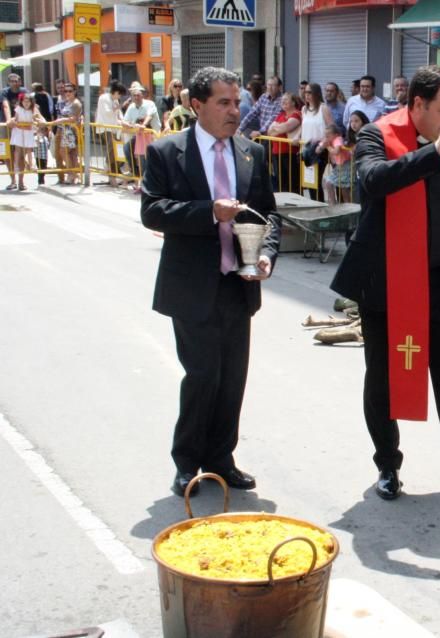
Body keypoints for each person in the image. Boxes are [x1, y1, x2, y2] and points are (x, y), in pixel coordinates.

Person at [330, 65, 440, 500]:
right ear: (418, 105)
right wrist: (433, 152)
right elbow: (372, 181)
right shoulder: (376, 134)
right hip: (388, 282)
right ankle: (387, 466)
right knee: (384, 379)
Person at [139, 67, 282, 498]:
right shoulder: (167, 152)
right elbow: (153, 211)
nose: (234, 111)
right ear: (196, 105)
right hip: (192, 287)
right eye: (223, 102)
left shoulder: (251, 153)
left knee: (232, 377)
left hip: (238, 285)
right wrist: (208, 212)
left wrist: (266, 253)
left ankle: (222, 459)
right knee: (202, 376)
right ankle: (187, 464)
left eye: (236, 102)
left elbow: (268, 214)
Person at [120, 85, 161, 192]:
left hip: (153, 136)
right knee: (127, 149)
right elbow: (124, 120)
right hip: (139, 137)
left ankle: (150, 184)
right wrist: (127, 124)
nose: (136, 97)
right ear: (132, 97)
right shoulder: (131, 107)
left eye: (138, 95)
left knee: (149, 160)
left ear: (142, 96)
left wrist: (144, 124)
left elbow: (150, 115)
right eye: (134, 96)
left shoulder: (149, 104)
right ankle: (137, 175)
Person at [266, 93, 303, 193]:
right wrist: (280, 128)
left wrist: (277, 127)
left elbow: (286, 127)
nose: (283, 102)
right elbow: (269, 131)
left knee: (293, 182)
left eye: (286, 99)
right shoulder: (281, 115)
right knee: (281, 182)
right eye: (282, 100)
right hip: (277, 152)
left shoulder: (297, 114)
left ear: (293, 102)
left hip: (290, 153)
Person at [8, 93, 43, 191]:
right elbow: (15, 120)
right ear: (21, 101)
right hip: (19, 132)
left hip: (28, 132)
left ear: (31, 102)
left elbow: (37, 119)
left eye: (28, 101)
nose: (26, 103)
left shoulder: (33, 109)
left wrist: (37, 123)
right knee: (18, 151)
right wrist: (14, 123)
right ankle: (16, 167)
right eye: (25, 101)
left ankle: (31, 165)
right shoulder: (18, 109)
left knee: (28, 150)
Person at [300, 82, 328, 200]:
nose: (307, 95)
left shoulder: (323, 108)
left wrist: (322, 145)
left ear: (317, 94)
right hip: (306, 149)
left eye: (310, 92)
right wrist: (297, 136)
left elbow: (331, 129)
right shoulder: (304, 109)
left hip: (319, 150)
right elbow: (303, 127)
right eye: (306, 92)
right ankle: (313, 205)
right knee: (309, 183)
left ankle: (320, 207)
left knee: (316, 183)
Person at [52, 83, 84, 186]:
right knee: (71, 154)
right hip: (65, 130)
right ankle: (73, 174)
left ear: (75, 91)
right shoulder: (67, 102)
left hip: (71, 131)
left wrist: (59, 120)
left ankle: (71, 174)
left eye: (70, 91)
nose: (68, 93)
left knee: (65, 152)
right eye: (66, 91)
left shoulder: (76, 103)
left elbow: (73, 118)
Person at [96, 81, 126, 186]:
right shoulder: (104, 98)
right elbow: (108, 112)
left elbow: (119, 115)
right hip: (106, 128)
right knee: (112, 152)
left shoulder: (115, 100)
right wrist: (118, 108)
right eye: (120, 94)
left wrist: (124, 121)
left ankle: (112, 173)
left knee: (117, 152)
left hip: (114, 129)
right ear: (116, 92)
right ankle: (111, 175)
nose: (120, 96)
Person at [238, 76, 283, 141]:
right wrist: (240, 128)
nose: (270, 88)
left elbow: (274, 118)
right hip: (262, 135)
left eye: (273, 85)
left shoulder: (282, 100)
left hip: (273, 136)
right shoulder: (263, 97)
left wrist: (260, 131)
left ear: (279, 87)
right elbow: (252, 113)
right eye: (268, 85)